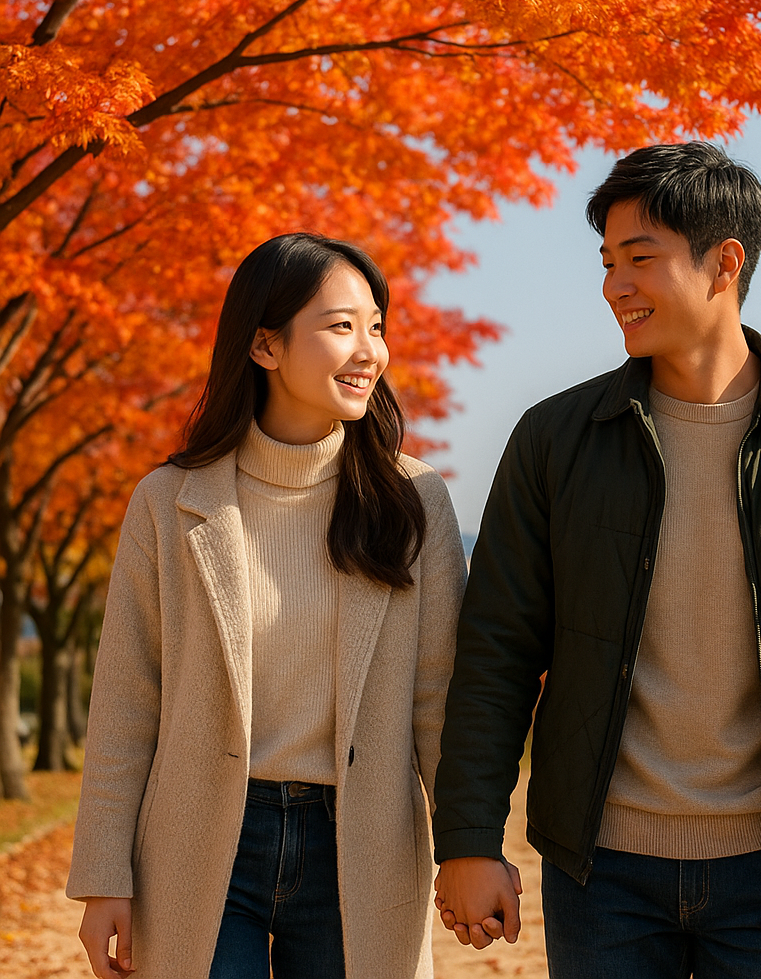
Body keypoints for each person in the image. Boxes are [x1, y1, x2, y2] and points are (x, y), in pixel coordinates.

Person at [431, 143, 761, 978]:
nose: (613, 286)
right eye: (606, 263)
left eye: (640, 260)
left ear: (724, 264)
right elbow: (495, 654)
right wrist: (470, 840)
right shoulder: (555, 441)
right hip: (603, 872)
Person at [67, 234, 466, 979]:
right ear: (264, 346)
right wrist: (103, 879)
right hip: (202, 839)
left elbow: (439, 699)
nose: (369, 351)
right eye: (341, 325)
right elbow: (127, 702)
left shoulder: (415, 502)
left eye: (377, 326)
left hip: (362, 841)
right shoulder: (169, 502)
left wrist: (469, 849)